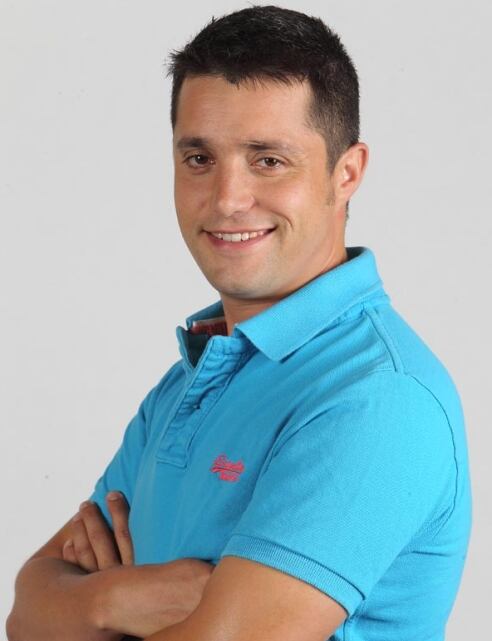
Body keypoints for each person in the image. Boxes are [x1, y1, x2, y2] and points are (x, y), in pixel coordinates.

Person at [6, 4, 472, 641]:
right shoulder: (187, 384)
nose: (226, 199)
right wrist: (112, 602)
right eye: (199, 158)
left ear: (347, 172)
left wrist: (85, 608)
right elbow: (27, 616)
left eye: (268, 160)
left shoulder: (377, 397)